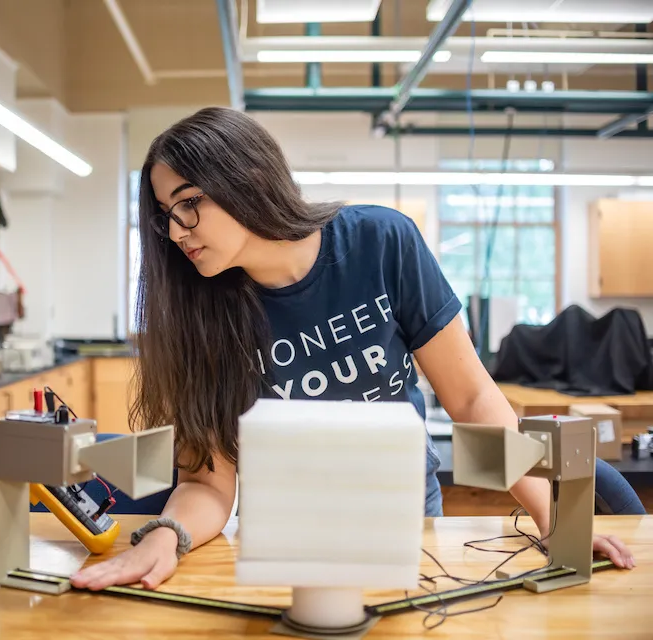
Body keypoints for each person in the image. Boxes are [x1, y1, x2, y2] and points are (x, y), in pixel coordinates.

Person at [71, 107, 634, 591]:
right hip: (280, 546)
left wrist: (552, 521)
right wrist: (167, 537)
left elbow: (470, 402)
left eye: (189, 202)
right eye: (166, 215)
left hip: (405, 525)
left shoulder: (381, 242)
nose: (176, 231)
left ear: (244, 177)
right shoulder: (203, 315)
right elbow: (209, 483)